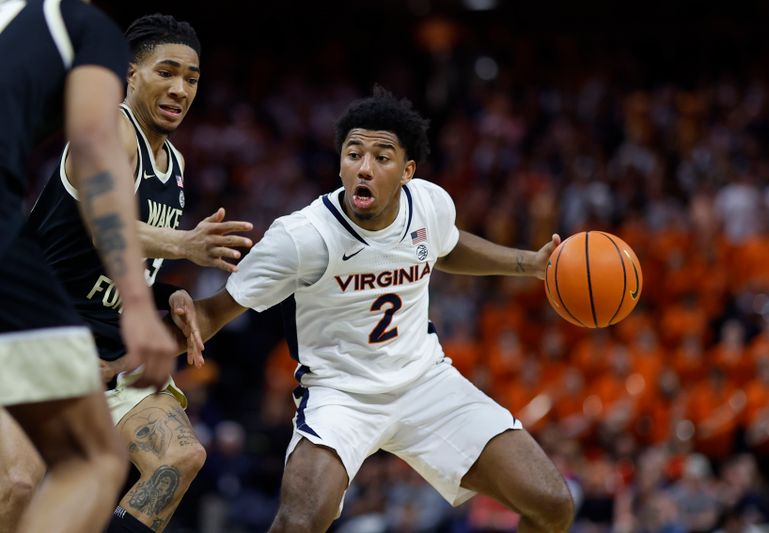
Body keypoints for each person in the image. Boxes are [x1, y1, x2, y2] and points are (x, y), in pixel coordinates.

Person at [172, 87, 575, 532]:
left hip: (425, 382)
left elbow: (448, 247)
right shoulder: (302, 237)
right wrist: (141, 349)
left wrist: (529, 264)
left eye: (381, 157)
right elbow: (212, 313)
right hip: (340, 394)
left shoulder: (429, 203)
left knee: (552, 504)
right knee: (298, 523)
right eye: (353, 154)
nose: (364, 167)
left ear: (407, 170)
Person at [8, 13, 252, 533]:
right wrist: (186, 245)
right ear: (131, 73)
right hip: (38, 339)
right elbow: (106, 228)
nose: (180, 88)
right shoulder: (108, 134)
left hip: (108, 355)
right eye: (167, 72)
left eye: (192, 78)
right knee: (16, 485)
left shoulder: (175, 164)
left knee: (180, 458)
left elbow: (126, 264)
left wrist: (170, 294)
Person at [0, 1, 177, 532]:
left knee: (18, 481)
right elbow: (97, 157)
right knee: (90, 459)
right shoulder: (80, 26)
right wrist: (141, 307)